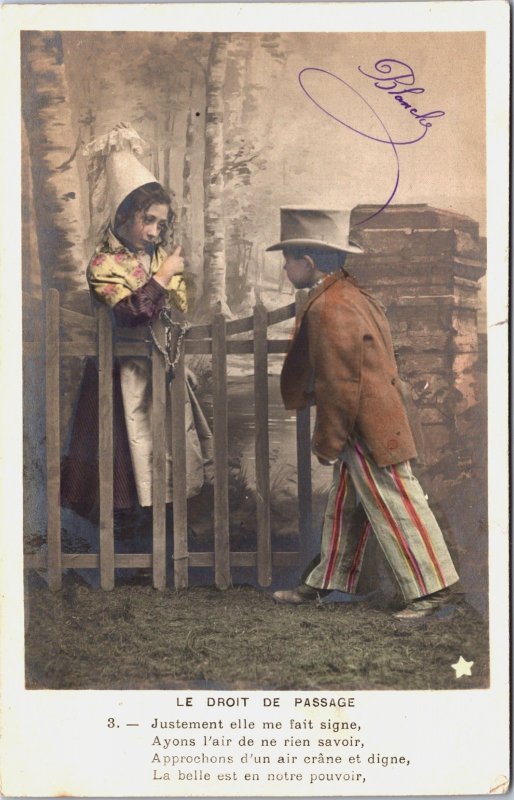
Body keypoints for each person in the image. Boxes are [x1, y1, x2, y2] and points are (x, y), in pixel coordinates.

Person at [268, 207, 459, 619]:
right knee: (346, 503)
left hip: (365, 421)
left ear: (309, 262)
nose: (284, 267)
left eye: (288, 259)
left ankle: (433, 588)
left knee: (396, 498)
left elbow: (341, 385)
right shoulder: (349, 292)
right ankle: (326, 580)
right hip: (375, 414)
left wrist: (328, 442)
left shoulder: (330, 307)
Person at [61, 125, 212, 532]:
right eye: (148, 221)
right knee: (122, 473)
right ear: (125, 215)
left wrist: (171, 282)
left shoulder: (155, 259)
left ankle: (159, 552)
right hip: (117, 377)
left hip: (157, 373)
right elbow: (129, 313)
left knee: (163, 467)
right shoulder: (103, 264)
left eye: (161, 225)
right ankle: (126, 559)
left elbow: (178, 308)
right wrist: (161, 278)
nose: (154, 232)